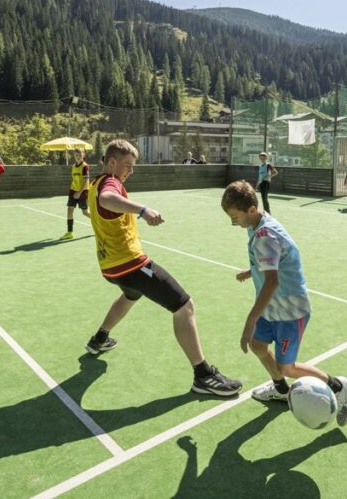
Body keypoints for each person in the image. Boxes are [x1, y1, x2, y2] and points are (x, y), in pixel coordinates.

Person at [84, 139, 242, 397]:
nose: (131, 171)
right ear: (112, 162)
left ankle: (99, 339)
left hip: (110, 266)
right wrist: (143, 210)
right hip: (130, 264)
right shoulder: (109, 185)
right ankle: (203, 376)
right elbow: (107, 199)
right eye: (127, 165)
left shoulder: (95, 182)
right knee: (184, 306)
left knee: (130, 296)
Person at [221, 180, 347, 424]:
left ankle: (338, 385)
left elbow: (272, 282)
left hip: (291, 310)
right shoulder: (257, 221)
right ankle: (281, 390)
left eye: (235, 217)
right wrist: (252, 270)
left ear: (251, 210)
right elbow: (276, 259)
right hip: (271, 308)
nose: (233, 223)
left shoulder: (265, 235)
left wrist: (250, 320)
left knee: (287, 368)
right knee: (258, 346)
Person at [61, 147, 91, 240]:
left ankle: (98, 222)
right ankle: (69, 232)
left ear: (83, 155)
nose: (78, 157)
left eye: (80, 155)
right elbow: (74, 179)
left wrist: (79, 192)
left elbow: (86, 180)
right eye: (76, 155)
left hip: (83, 191)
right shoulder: (73, 166)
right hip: (73, 190)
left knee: (85, 212)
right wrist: (74, 190)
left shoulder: (85, 166)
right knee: (70, 209)